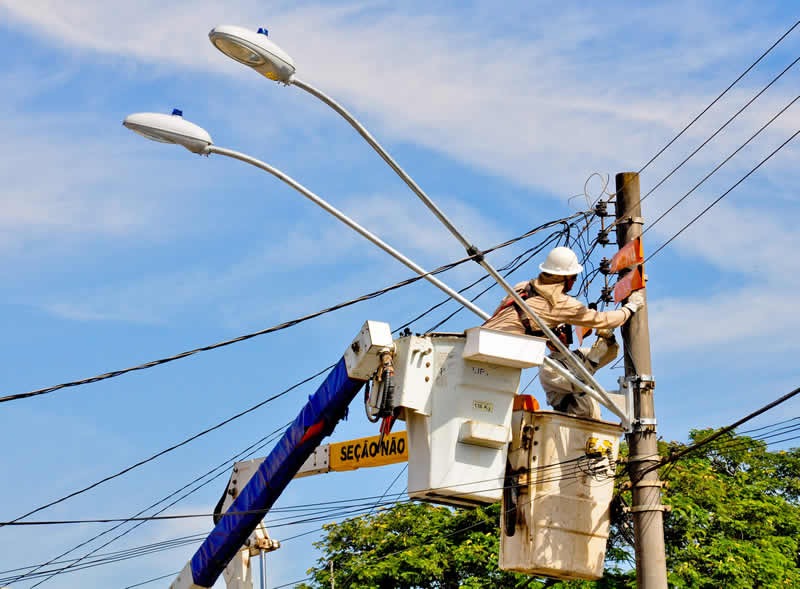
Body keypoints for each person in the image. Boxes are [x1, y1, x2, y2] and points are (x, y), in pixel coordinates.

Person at [482, 246, 644, 335]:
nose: (574, 283)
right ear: (565, 278)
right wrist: (630, 308)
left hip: (480, 340)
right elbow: (603, 320)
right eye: (574, 277)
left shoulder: (523, 286)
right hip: (503, 353)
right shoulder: (561, 303)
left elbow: (500, 313)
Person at [539, 328, 618, 419]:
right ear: (549, 344)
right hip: (571, 422)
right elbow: (577, 384)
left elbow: (609, 355)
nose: (563, 335)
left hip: (594, 420)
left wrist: (609, 339)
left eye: (564, 330)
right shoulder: (548, 367)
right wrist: (591, 362)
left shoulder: (580, 354)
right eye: (556, 333)